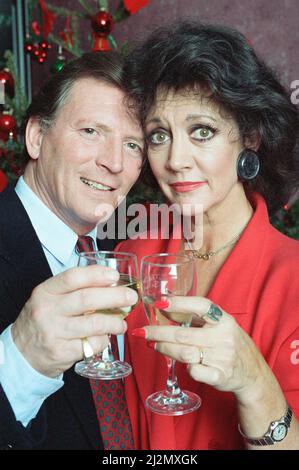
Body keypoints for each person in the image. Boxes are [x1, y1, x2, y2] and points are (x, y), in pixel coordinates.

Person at [117, 22, 299, 450]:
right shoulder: (132, 255)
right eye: (160, 135)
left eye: (203, 131)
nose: (177, 160)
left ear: (249, 136)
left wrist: (253, 381)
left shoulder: (293, 279)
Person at [0, 52, 144, 449]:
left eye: (133, 145)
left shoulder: (131, 255)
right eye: (91, 131)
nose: (114, 162)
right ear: (36, 137)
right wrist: (20, 361)